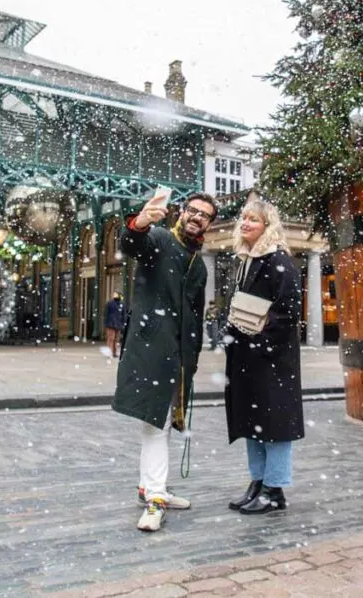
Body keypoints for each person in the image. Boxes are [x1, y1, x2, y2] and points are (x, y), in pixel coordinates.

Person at [112, 190, 217, 532]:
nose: (197, 216)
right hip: (151, 351)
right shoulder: (158, 239)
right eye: (193, 210)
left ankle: (149, 487)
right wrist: (140, 222)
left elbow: (196, 316)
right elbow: (132, 244)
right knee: (155, 424)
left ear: (209, 224)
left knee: (164, 423)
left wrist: (194, 358)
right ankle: (156, 498)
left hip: (180, 358)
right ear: (181, 212)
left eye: (205, 215)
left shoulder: (198, 264)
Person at [224, 197, 304, 515]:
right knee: (252, 421)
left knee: (274, 425)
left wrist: (261, 345)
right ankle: (258, 483)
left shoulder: (278, 260)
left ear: (267, 226)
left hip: (271, 361)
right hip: (249, 358)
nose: (245, 223)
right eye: (243, 218)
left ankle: (274, 489)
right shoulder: (248, 260)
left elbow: (287, 313)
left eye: (253, 219)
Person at [103, 292, 126, 358]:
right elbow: (106, 314)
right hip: (111, 323)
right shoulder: (110, 303)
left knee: (116, 339)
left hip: (117, 324)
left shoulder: (122, 304)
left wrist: (123, 324)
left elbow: (123, 314)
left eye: (116, 294)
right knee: (111, 338)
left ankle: (114, 352)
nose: (114, 295)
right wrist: (106, 323)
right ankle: (109, 352)